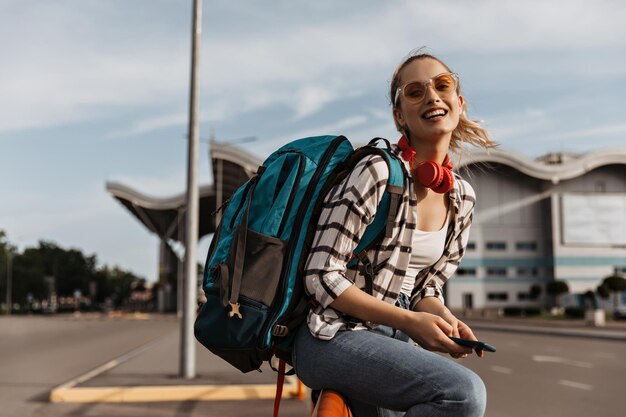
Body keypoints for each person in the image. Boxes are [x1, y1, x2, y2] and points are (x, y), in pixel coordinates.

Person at [292, 49, 497, 417]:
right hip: (334, 334)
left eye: (442, 85)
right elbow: (321, 277)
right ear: (399, 115)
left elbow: (423, 288)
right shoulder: (377, 172)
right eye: (415, 91)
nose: (432, 96)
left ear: (459, 102)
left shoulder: (462, 197)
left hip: (395, 337)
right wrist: (408, 321)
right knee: (461, 393)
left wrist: (442, 320)